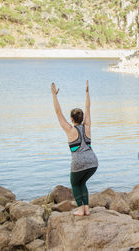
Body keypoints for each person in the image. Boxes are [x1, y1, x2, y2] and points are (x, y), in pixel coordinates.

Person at [51, 80, 98, 216]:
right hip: (93, 162)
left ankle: (80, 210)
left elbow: (58, 112)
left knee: (74, 183)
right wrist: (87, 93)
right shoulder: (87, 126)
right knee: (82, 183)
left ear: (72, 119)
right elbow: (88, 108)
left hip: (79, 162)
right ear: (82, 118)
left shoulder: (70, 130)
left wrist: (54, 95)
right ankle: (87, 209)